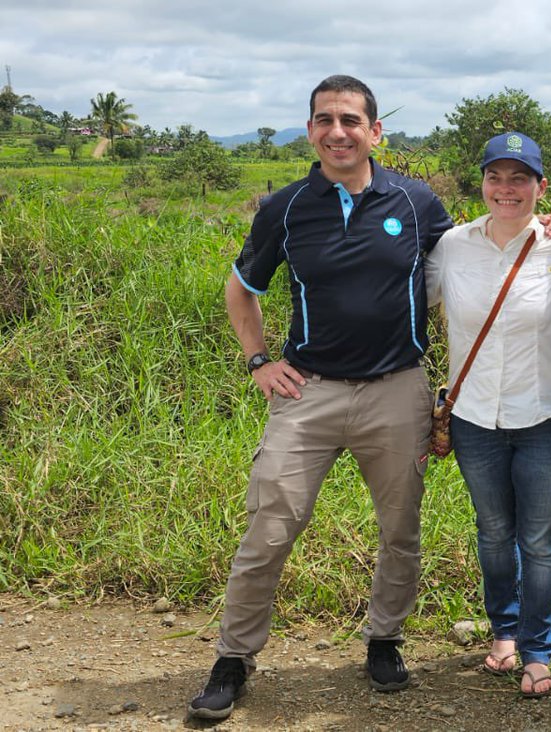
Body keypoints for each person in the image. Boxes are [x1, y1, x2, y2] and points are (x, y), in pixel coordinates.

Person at [186, 75, 455, 721]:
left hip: (398, 391)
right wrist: (259, 362)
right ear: (310, 130)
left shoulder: (416, 202)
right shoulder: (286, 207)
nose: (339, 131)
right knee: (270, 528)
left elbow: (466, 277)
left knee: (400, 530)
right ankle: (233, 658)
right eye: (325, 119)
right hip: (309, 394)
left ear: (374, 131)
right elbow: (240, 289)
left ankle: (384, 641)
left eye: (351, 120)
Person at [424, 131, 551, 699]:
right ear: (481, 184)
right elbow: (408, 303)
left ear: (541, 186)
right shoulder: (451, 246)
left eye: (520, 178)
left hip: (548, 415)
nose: (506, 189)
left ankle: (539, 650)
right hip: (473, 419)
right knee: (493, 533)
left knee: (539, 540)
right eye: (496, 177)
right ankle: (504, 634)